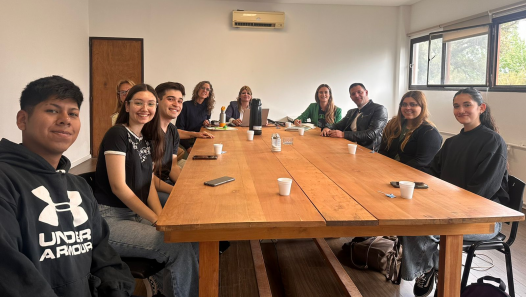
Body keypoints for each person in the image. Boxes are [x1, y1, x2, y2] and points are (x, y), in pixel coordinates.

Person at [0, 76, 135, 296]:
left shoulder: (78, 186)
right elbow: (10, 276)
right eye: (52, 110)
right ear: (22, 120)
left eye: (73, 113)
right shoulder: (6, 181)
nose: (66, 120)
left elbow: (102, 254)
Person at [400, 88, 509, 297]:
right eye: (456, 106)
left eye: (467, 104)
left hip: (483, 218)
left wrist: (443, 208)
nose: (461, 110)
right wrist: (405, 181)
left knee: (425, 227)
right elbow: (432, 174)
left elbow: (482, 191)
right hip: (449, 210)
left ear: (481, 108)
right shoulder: (452, 143)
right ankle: (434, 268)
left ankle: (438, 271)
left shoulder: (493, 142)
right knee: (407, 219)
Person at [94, 84, 199, 297]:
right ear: (127, 105)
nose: (145, 108)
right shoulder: (118, 134)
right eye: (139, 103)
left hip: (133, 215)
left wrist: (161, 217)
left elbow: (149, 183)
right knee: (176, 246)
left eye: (150, 104)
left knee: (187, 235)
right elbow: (119, 188)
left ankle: (172, 290)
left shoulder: (143, 138)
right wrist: (155, 219)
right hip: (111, 220)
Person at [154, 82, 214, 205]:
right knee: (193, 202)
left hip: (166, 182)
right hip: (151, 189)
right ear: (157, 100)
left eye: (179, 101)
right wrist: (180, 190)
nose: (176, 104)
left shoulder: (172, 131)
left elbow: (173, 167)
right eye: (170, 99)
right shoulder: (148, 131)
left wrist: (186, 186)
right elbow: (147, 179)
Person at [379, 91, 442, 171]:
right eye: (404, 104)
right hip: (387, 170)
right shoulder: (393, 125)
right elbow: (383, 150)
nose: (407, 108)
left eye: (413, 104)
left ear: (422, 107)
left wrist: (394, 170)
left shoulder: (429, 132)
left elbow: (421, 163)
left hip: (413, 177)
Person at [323, 83, 388, 151]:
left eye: (359, 92)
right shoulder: (351, 112)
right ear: (351, 97)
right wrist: (327, 127)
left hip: (369, 151)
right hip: (349, 148)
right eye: (353, 94)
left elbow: (372, 133)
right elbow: (338, 125)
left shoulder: (379, 109)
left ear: (366, 92)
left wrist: (343, 134)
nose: (356, 95)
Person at [176, 81, 215, 153]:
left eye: (207, 89)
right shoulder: (186, 106)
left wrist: (206, 122)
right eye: (202, 88)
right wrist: (188, 148)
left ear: (209, 94)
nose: (204, 90)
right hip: (185, 142)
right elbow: (179, 129)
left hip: (199, 139)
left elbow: (207, 119)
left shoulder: (207, 107)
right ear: (197, 90)